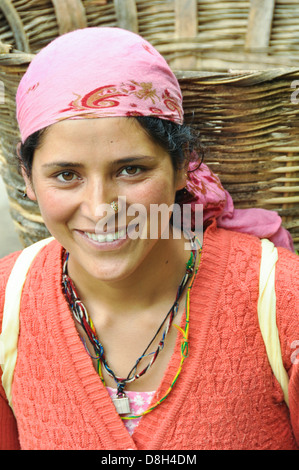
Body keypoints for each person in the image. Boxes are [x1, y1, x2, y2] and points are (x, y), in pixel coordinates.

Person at [0, 27, 298, 451]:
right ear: (28, 178)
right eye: (66, 175)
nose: (100, 208)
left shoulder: (283, 303)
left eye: (131, 170)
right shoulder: (6, 309)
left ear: (181, 169)